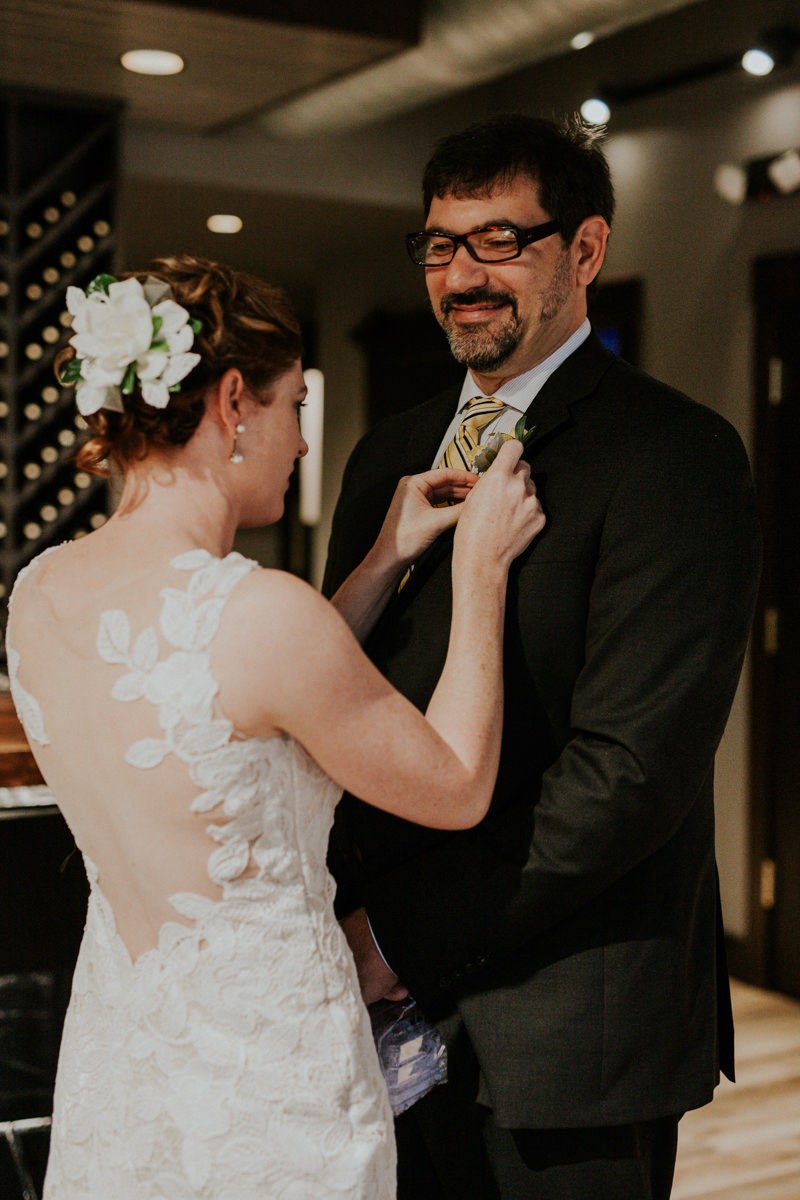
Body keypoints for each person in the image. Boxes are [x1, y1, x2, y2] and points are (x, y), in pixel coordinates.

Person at [5, 255, 545, 1199]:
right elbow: (456, 784)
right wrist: (481, 571)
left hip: (126, 1062)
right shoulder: (261, 611)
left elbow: (238, 697)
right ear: (231, 402)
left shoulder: (39, 592)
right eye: (296, 404)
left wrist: (384, 555)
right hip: (267, 1076)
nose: (302, 441)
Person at [323, 113, 762, 1199]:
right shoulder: (387, 452)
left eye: (498, 240)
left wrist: (398, 939)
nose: (461, 275)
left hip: (568, 1027)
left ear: (585, 250)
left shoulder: (674, 456)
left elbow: (628, 777)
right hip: (360, 1009)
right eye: (439, 244)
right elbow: (337, 696)